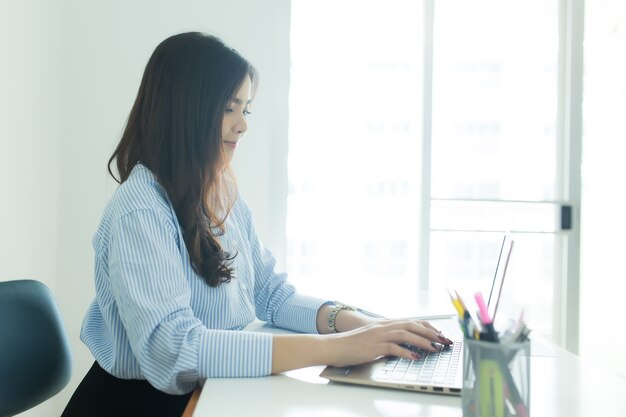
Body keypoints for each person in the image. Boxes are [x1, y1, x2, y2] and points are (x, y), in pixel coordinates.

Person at [61, 32, 452, 416]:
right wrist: (341, 348)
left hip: (206, 391)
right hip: (138, 405)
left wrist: (366, 325)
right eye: (229, 108)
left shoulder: (217, 192)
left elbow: (271, 294)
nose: (243, 125)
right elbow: (174, 351)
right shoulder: (141, 209)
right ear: (186, 108)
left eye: (245, 109)